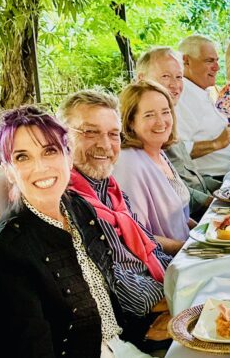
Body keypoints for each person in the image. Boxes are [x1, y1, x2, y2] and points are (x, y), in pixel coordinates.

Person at [0, 106, 146, 357]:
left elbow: (108, 288)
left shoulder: (77, 206)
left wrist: (145, 331)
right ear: (8, 171)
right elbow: (33, 347)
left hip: (122, 345)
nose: (40, 168)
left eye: (49, 151)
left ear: (68, 156)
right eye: (22, 157)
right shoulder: (8, 247)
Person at [57, 89, 174, 346]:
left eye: (113, 134)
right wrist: (183, 298)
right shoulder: (68, 202)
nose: (105, 145)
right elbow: (119, 288)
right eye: (89, 132)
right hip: (136, 328)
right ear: (61, 138)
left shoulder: (108, 187)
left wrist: (184, 276)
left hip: (161, 295)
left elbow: (150, 248)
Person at [136, 47, 220, 220]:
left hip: (198, 208)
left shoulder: (170, 115)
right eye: (165, 76)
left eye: (179, 77)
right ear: (142, 79)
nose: (175, 85)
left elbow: (191, 174)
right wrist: (214, 203)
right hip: (190, 214)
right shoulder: (146, 126)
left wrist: (229, 189)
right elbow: (169, 191)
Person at [113, 81, 196, 255]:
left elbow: (179, 215)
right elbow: (137, 234)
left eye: (165, 112)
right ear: (130, 122)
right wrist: (188, 249)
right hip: (166, 263)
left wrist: (206, 232)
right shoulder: (129, 163)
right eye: (149, 115)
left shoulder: (157, 152)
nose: (161, 122)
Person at [176, 34, 230, 177]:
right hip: (218, 180)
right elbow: (177, 152)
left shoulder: (199, 91)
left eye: (217, 61)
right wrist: (217, 143)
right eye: (209, 61)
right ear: (186, 61)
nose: (217, 67)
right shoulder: (181, 97)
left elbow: (205, 131)